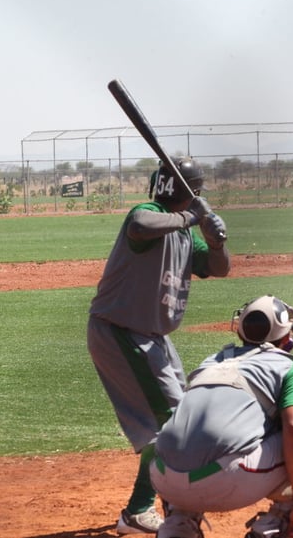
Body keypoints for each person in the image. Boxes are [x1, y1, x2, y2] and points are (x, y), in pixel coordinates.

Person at [87, 157, 231, 535]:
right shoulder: (149, 214)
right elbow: (140, 224)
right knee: (168, 423)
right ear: (192, 191)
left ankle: (159, 501)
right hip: (122, 331)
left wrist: (216, 241)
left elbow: (219, 268)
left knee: (177, 416)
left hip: (152, 336)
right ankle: (141, 510)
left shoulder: (185, 234)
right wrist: (191, 217)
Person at [150, 295, 293, 538]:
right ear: (287, 337)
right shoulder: (288, 367)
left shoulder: (211, 362)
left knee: (194, 438)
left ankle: (177, 527)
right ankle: (276, 526)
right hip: (226, 480)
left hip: (163, 476)